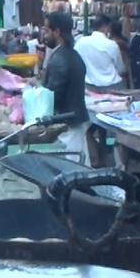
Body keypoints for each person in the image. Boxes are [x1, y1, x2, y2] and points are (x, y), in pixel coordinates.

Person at [40, 10, 89, 164]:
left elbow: (54, 96)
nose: (45, 35)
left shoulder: (59, 59)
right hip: (74, 122)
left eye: (47, 31)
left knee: (71, 171)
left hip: (67, 125)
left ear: (57, 32)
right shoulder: (73, 55)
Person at [74, 14, 126, 90]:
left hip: (89, 85)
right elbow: (120, 68)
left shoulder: (81, 42)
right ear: (105, 27)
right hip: (112, 85)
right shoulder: (111, 45)